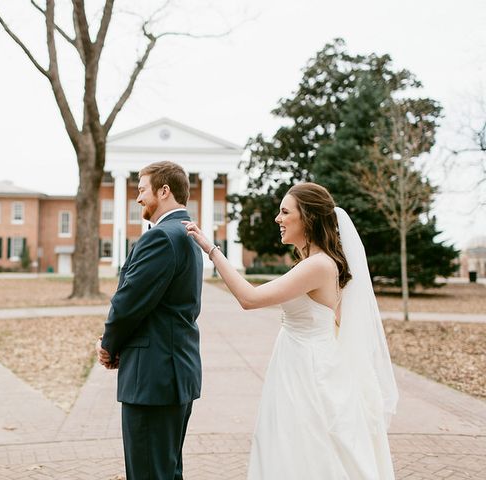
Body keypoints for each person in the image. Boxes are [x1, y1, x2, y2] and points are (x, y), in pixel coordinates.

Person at [183, 182, 398, 480]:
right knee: (290, 448)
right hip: (299, 361)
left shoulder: (318, 266)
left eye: (285, 212)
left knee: (306, 451)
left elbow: (250, 298)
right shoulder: (315, 263)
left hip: (309, 372)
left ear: (307, 217)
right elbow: (335, 317)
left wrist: (212, 250)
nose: (277, 219)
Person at [96, 161, 203, 480]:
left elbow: (128, 302)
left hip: (153, 378)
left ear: (164, 191)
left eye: (142, 190)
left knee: (148, 473)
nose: (138, 198)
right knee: (166, 471)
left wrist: (108, 345)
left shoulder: (161, 237)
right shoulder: (188, 235)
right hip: (174, 374)